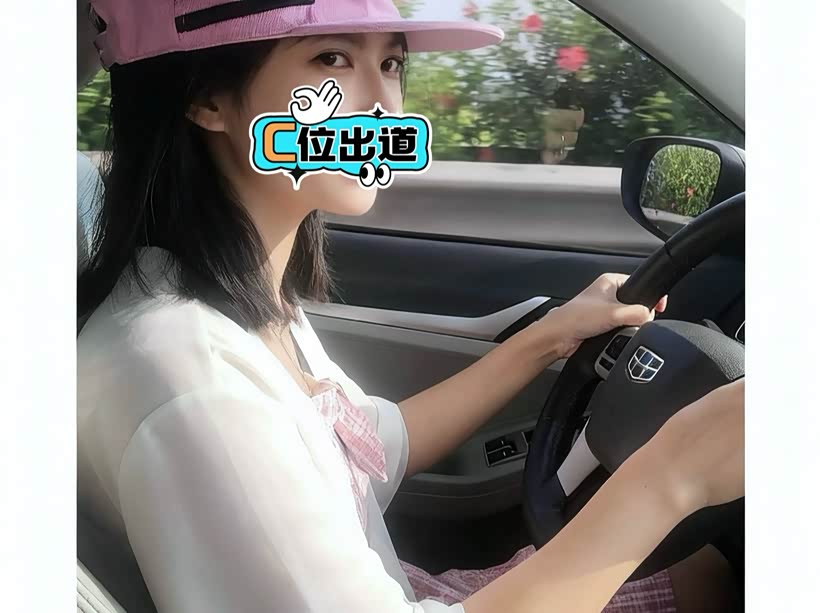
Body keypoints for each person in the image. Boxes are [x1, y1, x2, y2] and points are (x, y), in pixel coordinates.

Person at [77, 1, 744, 612]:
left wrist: (549, 335)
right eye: (332, 59)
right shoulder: (197, 384)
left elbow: (371, 444)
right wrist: (672, 476)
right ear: (207, 98)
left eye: (391, 63)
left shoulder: (231, 296)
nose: (381, 104)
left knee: (698, 569)